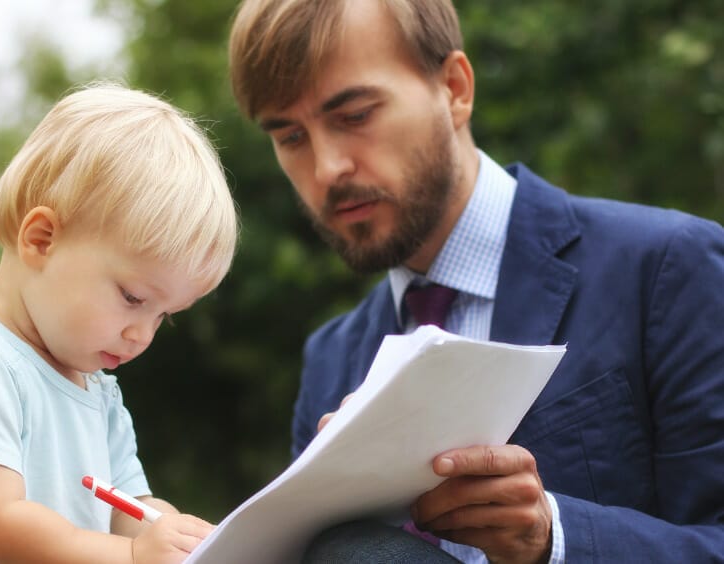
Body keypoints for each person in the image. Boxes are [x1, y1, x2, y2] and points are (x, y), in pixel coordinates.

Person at [228, 0, 724, 562]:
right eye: (291, 137)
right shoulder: (330, 359)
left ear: (455, 88)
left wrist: (554, 537)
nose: (326, 169)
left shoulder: (665, 267)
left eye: (355, 115)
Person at [0, 82, 238, 563]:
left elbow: (128, 508)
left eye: (164, 317)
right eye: (133, 297)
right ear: (41, 240)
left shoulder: (100, 396)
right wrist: (135, 557)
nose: (143, 335)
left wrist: (175, 535)